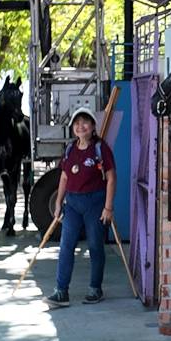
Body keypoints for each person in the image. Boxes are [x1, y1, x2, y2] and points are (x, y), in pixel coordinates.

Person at [45, 107, 116, 307]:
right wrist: (58, 202)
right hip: (73, 204)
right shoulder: (70, 149)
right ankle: (61, 291)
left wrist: (108, 207)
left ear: (93, 126)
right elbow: (65, 177)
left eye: (85, 122)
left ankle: (95, 288)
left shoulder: (101, 148)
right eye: (77, 123)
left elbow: (111, 178)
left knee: (95, 246)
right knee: (66, 246)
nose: (80, 126)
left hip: (95, 202)